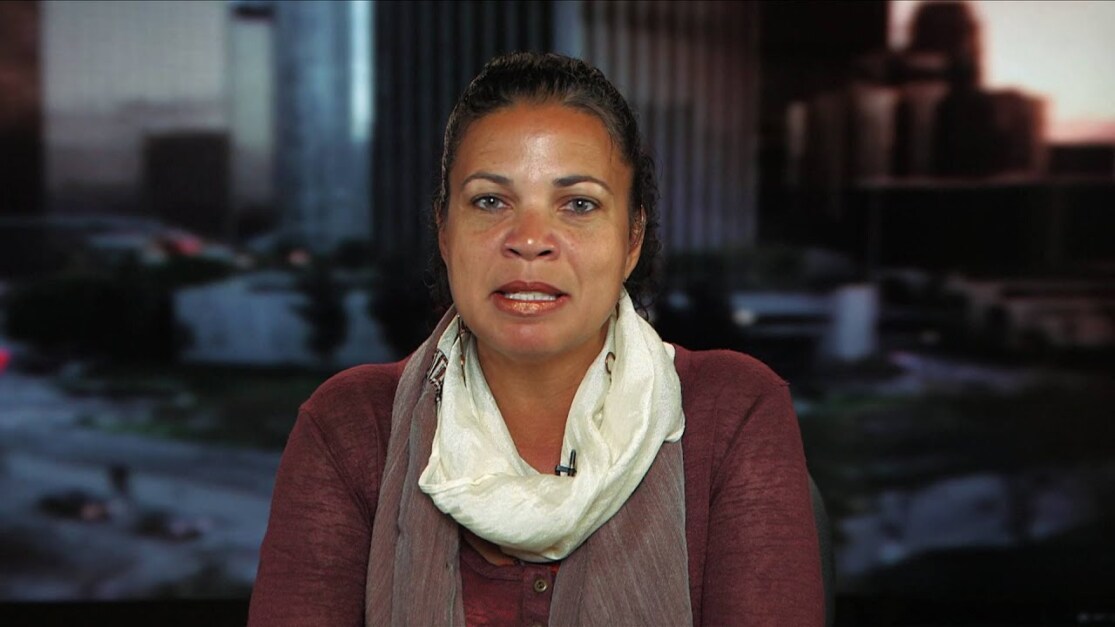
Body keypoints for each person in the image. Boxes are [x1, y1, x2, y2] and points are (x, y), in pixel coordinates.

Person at [249, 51, 823, 626]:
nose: (529, 239)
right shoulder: (350, 426)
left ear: (632, 238)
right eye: (490, 201)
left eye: (578, 204)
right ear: (445, 231)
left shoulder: (733, 409)